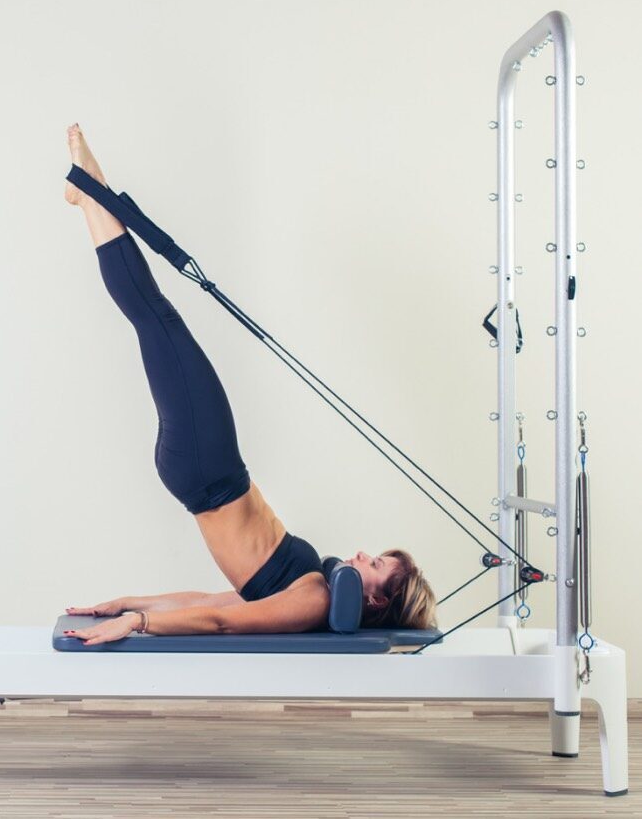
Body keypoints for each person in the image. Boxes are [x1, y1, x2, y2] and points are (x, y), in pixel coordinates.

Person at [62, 124, 437, 646]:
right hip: (207, 472)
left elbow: (222, 623)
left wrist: (137, 623)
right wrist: (130, 602)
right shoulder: (312, 588)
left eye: (374, 564)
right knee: (154, 320)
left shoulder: (315, 599)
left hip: (210, 468)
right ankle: (88, 194)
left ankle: (89, 193)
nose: (360, 555)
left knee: (156, 318)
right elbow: (216, 602)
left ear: (375, 600)